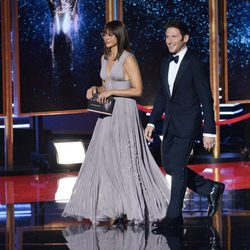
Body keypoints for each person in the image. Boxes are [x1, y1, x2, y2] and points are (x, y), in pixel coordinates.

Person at [62, 20, 171, 225]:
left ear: (119, 36)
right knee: (105, 157)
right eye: (104, 34)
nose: (106, 38)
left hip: (125, 112)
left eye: (110, 34)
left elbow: (137, 90)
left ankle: (134, 207)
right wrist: (95, 88)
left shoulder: (128, 59)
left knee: (126, 158)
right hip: (107, 114)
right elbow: (106, 85)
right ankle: (114, 206)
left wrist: (111, 91)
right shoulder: (105, 58)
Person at [144, 20, 225, 228]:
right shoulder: (165, 62)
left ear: (185, 38)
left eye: (174, 36)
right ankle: (210, 189)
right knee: (171, 167)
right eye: (167, 36)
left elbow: (206, 98)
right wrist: (152, 122)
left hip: (188, 123)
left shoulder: (194, 63)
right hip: (170, 123)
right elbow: (162, 94)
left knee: (178, 169)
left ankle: (173, 218)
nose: (169, 41)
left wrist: (210, 131)